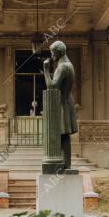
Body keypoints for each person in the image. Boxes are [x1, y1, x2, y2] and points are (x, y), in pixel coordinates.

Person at [43, 40, 78, 169]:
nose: (52, 56)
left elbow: (51, 86)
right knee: (64, 135)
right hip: (67, 101)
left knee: (60, 134)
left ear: (57, 52)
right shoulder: (70, 65)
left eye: (52, 53)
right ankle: (66, 164)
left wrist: (46, 70)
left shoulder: (62, 67)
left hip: (61, 104)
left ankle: (59, 162)